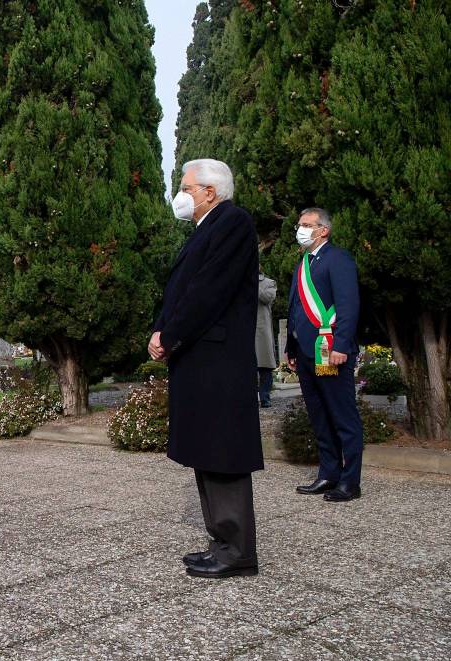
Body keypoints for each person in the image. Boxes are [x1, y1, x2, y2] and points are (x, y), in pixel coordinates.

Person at [149, 158, 262, 579]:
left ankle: (237, 551)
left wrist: (170, 334)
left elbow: (207, 291)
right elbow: (182, 290)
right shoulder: (206, 228)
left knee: (223, 452)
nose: (181, 195)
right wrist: (162, 329)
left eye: (187, 187)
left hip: (217, 359)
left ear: (210, 192)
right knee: (207, 451)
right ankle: (222, 542)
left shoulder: (232, 223)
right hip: (199, 357)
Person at [285, 208, 363, 502]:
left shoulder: (338, 259)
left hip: (331, 352)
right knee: (319, 415)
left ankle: (350, 481)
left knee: (342, 415)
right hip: (306, 352)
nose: (301, 229)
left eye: (307, 225)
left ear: (323, 230)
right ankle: (328, 473)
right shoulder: (303, 263)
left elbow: (348, 305)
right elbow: (295, 308)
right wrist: (290, 347)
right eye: (300, 224)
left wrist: (341, 346)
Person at [256, 269, 278, 407]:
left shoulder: (269, 283)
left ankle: (265, 398)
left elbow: (267, 298)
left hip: (261, 331)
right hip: (244, 330)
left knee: (265, 367)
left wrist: (254, 284)